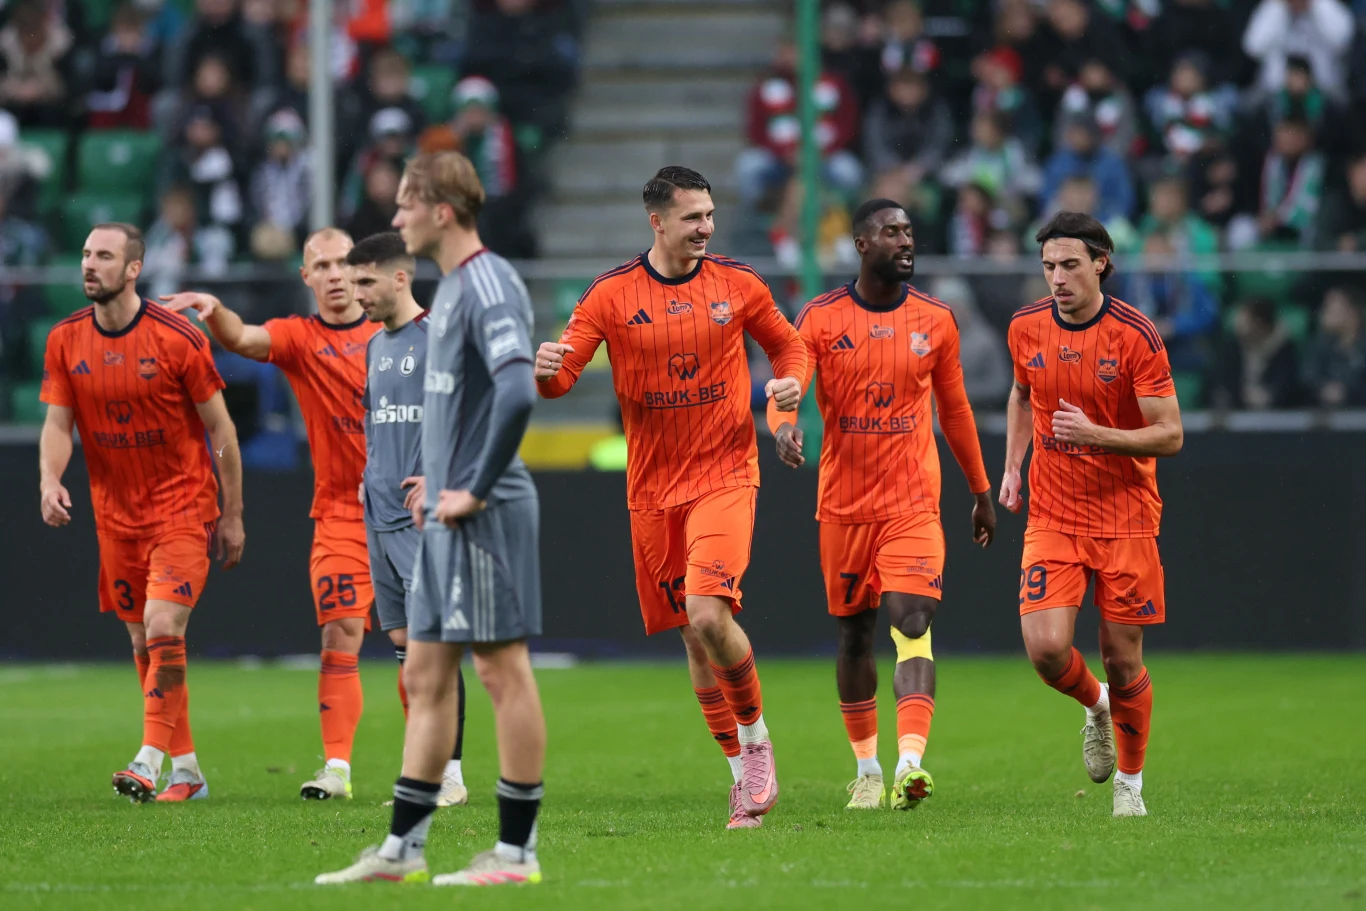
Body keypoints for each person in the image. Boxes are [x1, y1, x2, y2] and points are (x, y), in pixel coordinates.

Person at [534, 166, 808, 830]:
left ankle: (757, 740)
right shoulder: (609, 295)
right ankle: (741, 779)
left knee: (708, 613)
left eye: (709, 214)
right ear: (656, 222)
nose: (706, 227)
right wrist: (544, 371)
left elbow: (790, 349)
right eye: (692, 217)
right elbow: (562, 379)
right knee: (692, 636)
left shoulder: (738, 284)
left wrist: (787, 399)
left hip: (725, 473)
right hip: (654, 491)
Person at [318, 151, 545, 886]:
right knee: (423, 671)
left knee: (502, 671)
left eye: (406, 203)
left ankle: (516, 853)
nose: (395, 217)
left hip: (487, 511)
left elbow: (518, 390)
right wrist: (439, 483)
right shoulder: (450, 295)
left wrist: (471, 486)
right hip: (443, 514)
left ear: (441, 211)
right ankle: (403, 848)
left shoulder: (488, 282)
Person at [766, 199, 995, 811]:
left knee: (912, 619)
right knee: (854, 636)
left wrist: (980, 491)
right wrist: (784, 427)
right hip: (843, 506)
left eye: (909, 231)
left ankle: (910, 764)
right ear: (862, 245)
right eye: (892, 232)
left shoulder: (936, 320)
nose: (906, 241)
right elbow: (788, 384)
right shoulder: (820, 317)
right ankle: (866, 770)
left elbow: (955, 412)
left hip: (912, 502)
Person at [160, 227, 381, 801]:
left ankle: (443, 773)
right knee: (339, 632)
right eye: (321, 266)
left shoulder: (398, 332)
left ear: (361, 269)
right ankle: (337, 769)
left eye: (343, 262)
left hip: (410, 512)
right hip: (340, 514)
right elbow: (242, 338)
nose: (334, 275)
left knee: (423, 645)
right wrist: (214, 310)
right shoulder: (298, 338)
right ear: (306, 277)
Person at [38, 223, 245, 802]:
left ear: (133, 269)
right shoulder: (64, 339)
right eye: (85, 253)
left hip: (182, 508)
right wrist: (49, 479)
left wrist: (232, 512)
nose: (89, 264)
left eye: (104, 255)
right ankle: (188, 771)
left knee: (162, 626)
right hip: (115, 517)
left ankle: (148, 760)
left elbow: (221, 429)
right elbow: (57, 423)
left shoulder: (178, 337)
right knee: (142, 644)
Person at [1001, 211, 1183, 818]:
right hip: (1053, 514)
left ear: (1101, 264)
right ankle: (1096, 704)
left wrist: (1098, 435)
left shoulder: (1136, 335)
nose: (1057, 278)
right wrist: (1012, 466)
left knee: (1123, 658)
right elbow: (1021, 394)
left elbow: (1171, 434)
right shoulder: (1025, 326)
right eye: (1049, 266)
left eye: (1070, 265)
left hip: (1126, 516)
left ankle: (1130, 785)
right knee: (1046, 650)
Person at [350, 231, 467, 808]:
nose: (356, 294)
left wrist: (443, 481)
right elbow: (379, 421)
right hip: (379, 515)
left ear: (400, 278)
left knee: (432, 648)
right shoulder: (374, 345)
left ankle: (449, 775)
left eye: (365, 282)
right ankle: (424, 766)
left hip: (425, 521)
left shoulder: (439, 337)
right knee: (402, 642)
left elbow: (476, 417)